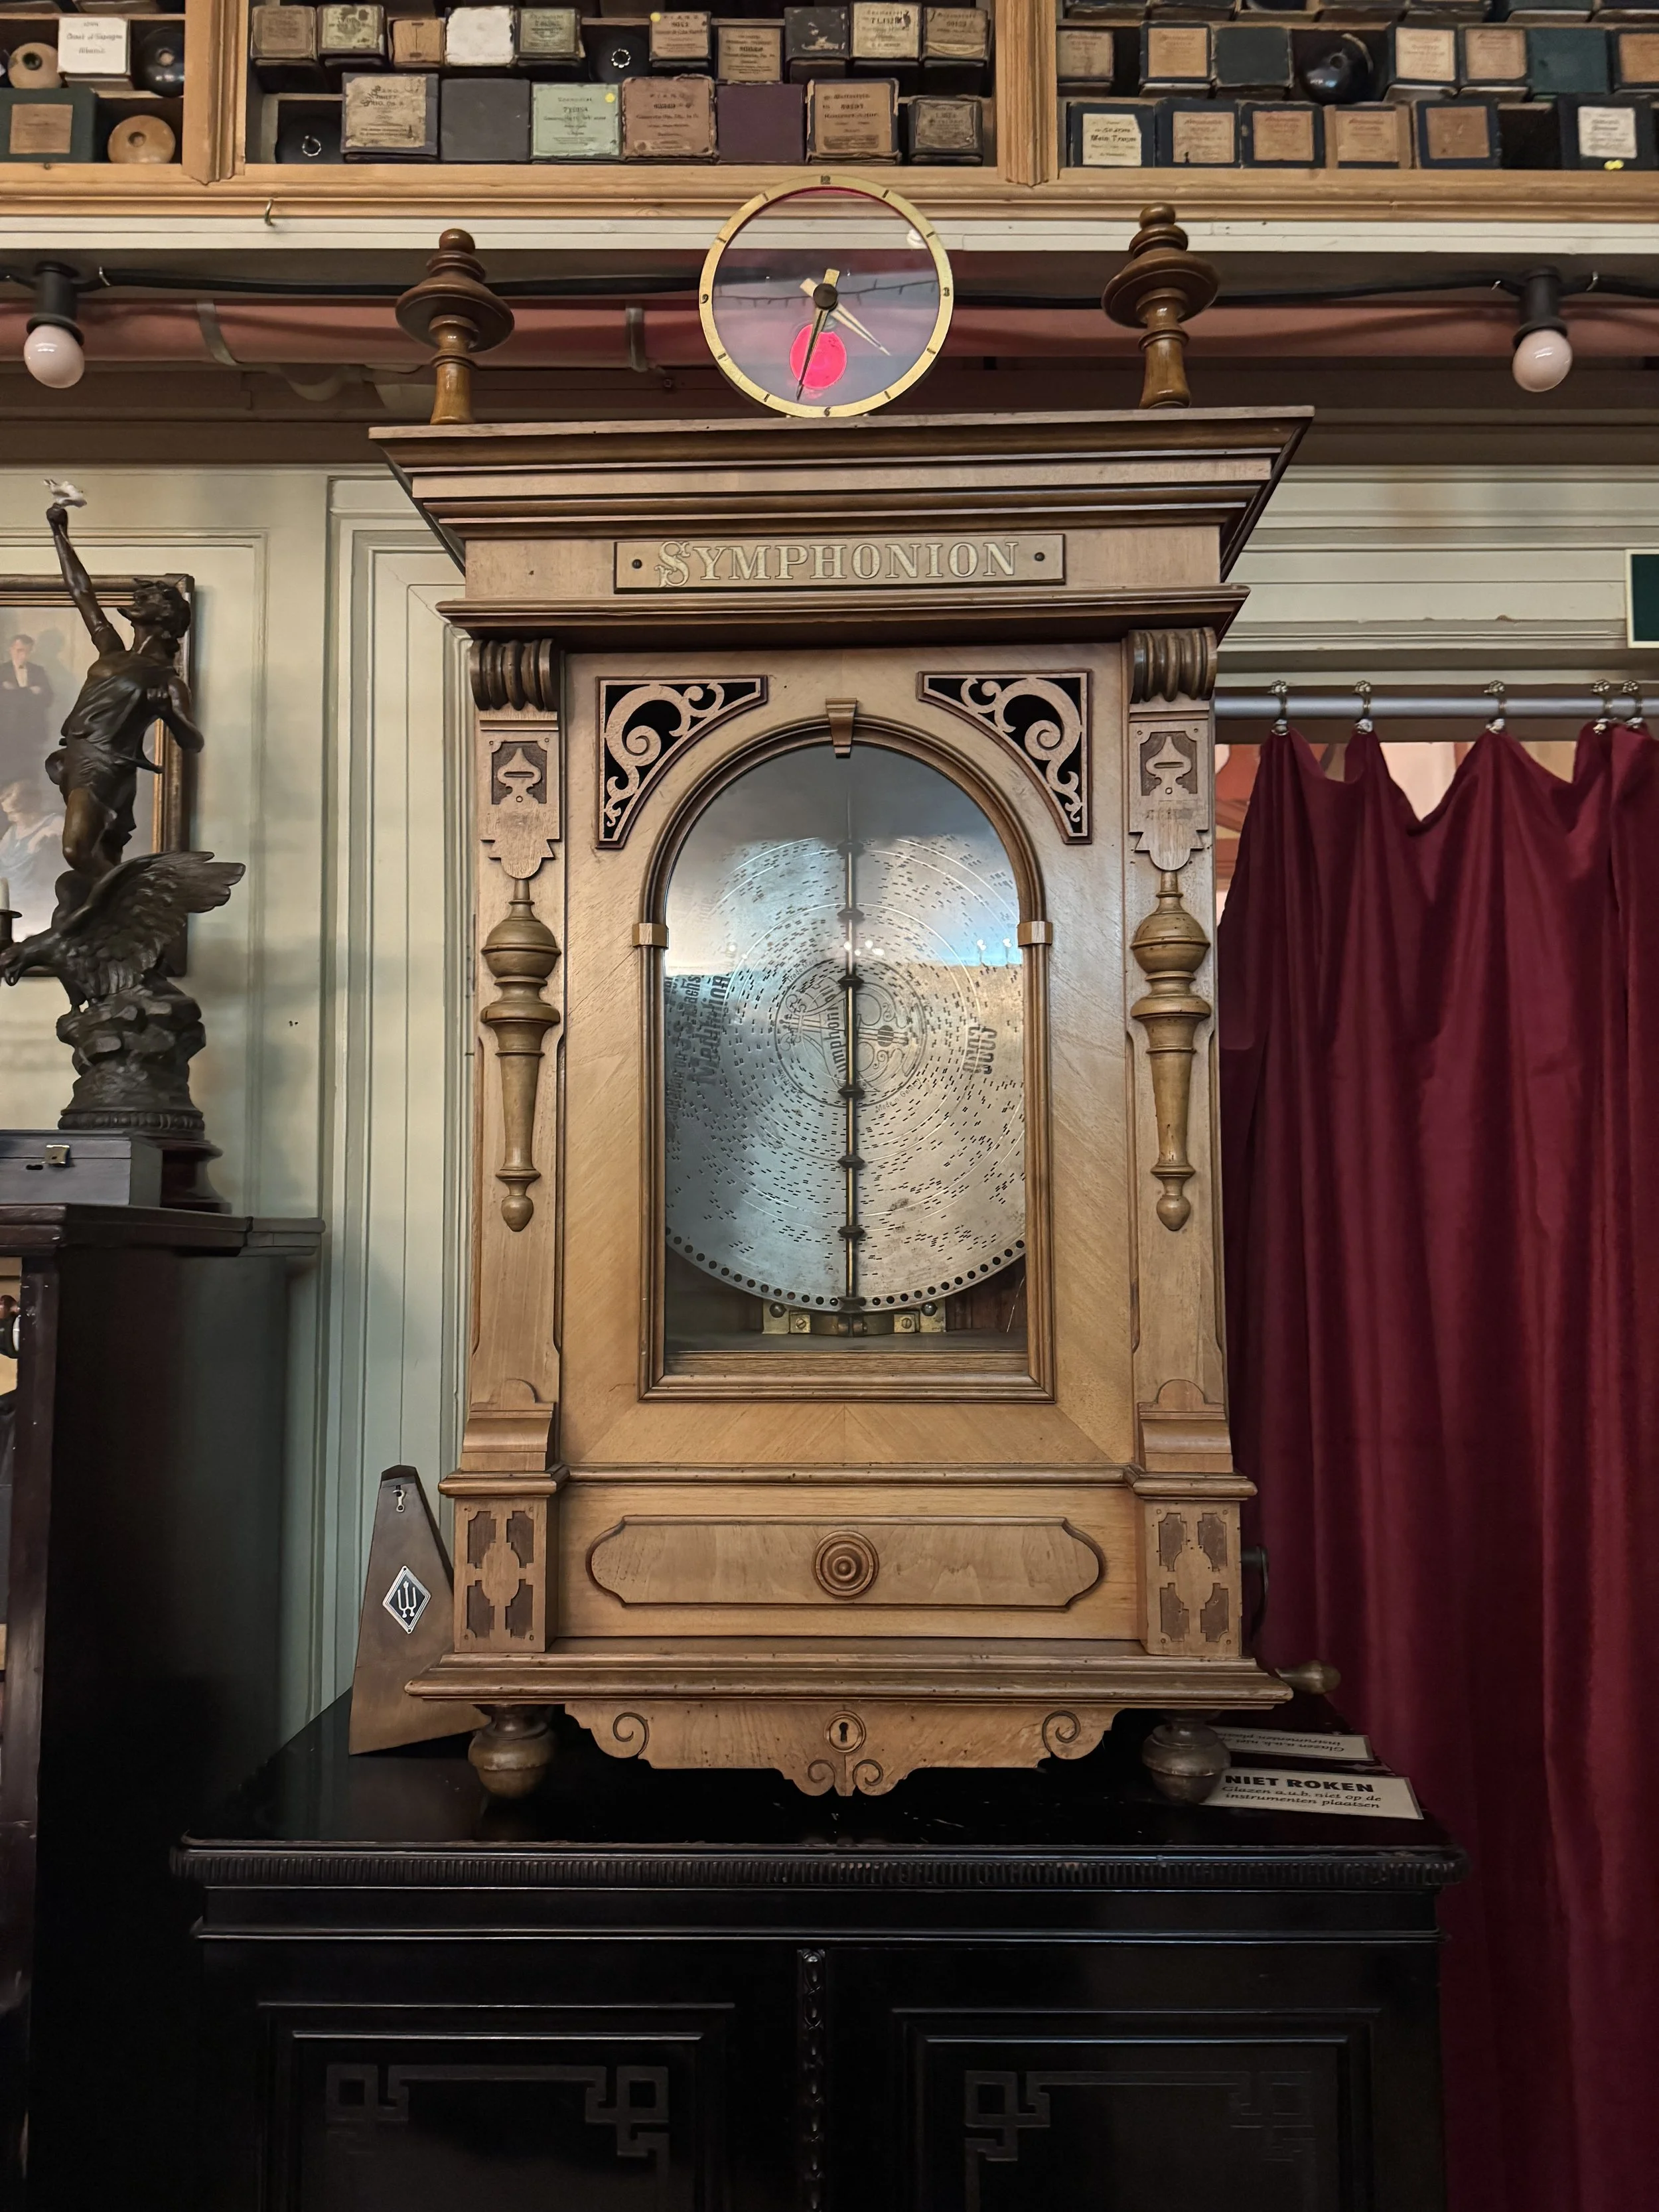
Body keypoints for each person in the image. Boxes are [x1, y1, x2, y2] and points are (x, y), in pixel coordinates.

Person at [44, 502, 202, 917]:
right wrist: (60, 534)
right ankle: (106, 924)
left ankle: (129, 913)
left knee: (76, 849)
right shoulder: (112, 649)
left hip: (106, 764)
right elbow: (81, 591)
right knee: (96, 852)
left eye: (147, 597)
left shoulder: (166, 679)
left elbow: (192, 740)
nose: (137, 597)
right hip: (76, 757)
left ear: (165, 615)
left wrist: (169, 714)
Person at [0, 774, 64, 936]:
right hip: (11, 902)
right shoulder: (13, 831)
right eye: (8, 813)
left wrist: (42, 837)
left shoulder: (55, 823)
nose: (11, 818)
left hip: (38, 904)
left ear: (31, 806)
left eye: (15, 812)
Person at [0, 633, 52, 767]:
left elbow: (49, 699)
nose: (23, 656)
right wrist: (31, 692)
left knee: (30, 769)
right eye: (19, 651)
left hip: (32, 731)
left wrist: (16, 691)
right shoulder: (2, 672)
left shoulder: (38, 671)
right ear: (11, 650)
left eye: (27, 652)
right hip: (6, 731)